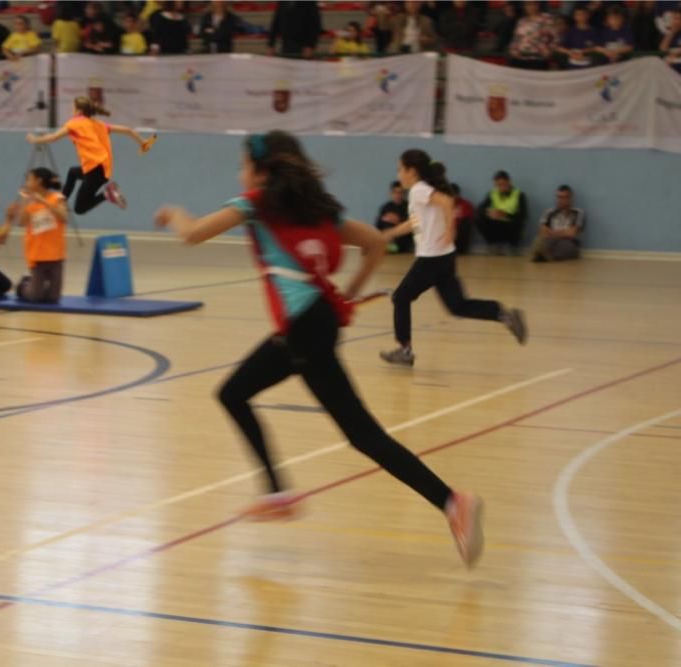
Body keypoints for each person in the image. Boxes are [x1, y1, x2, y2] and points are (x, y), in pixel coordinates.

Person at [154, 131, 485, 568]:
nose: (240, 173)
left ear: (261, 169)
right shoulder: (319, 207)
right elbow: (376, 243)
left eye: (243, 165)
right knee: (236, 394)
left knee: (359, 433)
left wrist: (175, 214)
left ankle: (452, 502)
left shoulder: (254, 203)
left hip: (304, 330)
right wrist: (345, 294)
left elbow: (193, 234)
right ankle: (278, 493)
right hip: (316, 324)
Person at [380, 150, 527, 367]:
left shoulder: (419, 189)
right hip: (444, 258)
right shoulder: (422, 191)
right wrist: (388, 234)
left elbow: (448, 203)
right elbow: (414, 222)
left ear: (411, 171)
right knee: (457, 306)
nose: (398, 173)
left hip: (431, 259)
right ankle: (503, 314)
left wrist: (451, 229)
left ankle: (405, 350)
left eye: (400, 169)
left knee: (401, 298)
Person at [26, 96, 154, 215]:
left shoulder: (74, 123)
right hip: (102, 169)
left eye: (73, 108)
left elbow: (54, 137)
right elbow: (128, 130)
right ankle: (62, 202)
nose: (72, 110)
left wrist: (35, 139)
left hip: (95, 170)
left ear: (79, 111)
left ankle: (107, 194)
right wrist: (142, 142)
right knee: (73, 172)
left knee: (79, 208)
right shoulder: (98, 124)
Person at [16, 168, 69, 303]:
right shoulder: (30, 202)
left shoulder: (57, 198)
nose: (27, 182)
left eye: (30, 179)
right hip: (37, 254)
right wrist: (24, 201)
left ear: (38, 181)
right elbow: (22, 222)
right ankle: (23, 286)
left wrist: (44, 202)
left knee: (53, 298)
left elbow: (63, 217)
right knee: (35, 297)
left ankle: (35, 284)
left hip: (56, 254)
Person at [474, 171, 528, 254]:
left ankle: (512, 246)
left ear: (509, 182)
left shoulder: (519, 194)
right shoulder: (492, 193)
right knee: (477, 218)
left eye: (502, 184)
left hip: (511, 225)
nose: (500, 187)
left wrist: (504, 214)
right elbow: (480, 209)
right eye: (497, 185)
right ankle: (493, 245)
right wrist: (489, 213)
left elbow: (523, 215)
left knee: (519, 222)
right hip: (496, 224)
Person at [531, 185, 585, 263]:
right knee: (542, 240)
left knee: (566, 247)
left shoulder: (578, 213)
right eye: (559, 197)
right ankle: (544, 255)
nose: (561, 200)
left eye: (564, 197)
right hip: (550, 240)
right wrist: (564, 232)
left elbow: (573, 233)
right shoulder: (549, 212)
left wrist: (551, 232)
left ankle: (544, 256)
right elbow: (542, 231)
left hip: (569, 242)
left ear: (570, 198)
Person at [508, 1, 556, 70]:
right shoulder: (522, 21)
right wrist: (513, 50)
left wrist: (550, 50)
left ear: (538, 4)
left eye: (533, 4)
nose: (531, 7)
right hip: (519, 58)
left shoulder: (547, 18)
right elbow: (516, 38)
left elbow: (556, 37)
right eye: (527, 4)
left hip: (537, 59)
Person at [374, 181, 413, 253]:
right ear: (391, 193)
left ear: (404, 193)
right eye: (395, 192)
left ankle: (389, 248)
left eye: (400, 192)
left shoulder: (409, 207)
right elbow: (378, 226)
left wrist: (397, 221)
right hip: (387, 240)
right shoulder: (385, 207)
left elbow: (412, 226)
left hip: (402, 243)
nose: (398, 195)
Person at [660, 6, 681, 77]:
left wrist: (676, 53)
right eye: (674, 18)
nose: (676, 21)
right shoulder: (667, 32)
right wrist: (671, 33)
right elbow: (662, 49)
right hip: (669, 65)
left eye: (679, 18)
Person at [451, 183, 474, 255]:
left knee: (466, 223)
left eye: (453, 194)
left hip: (459, 233)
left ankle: (460, 248)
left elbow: (468, 219)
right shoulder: (441, 204)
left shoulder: (466, 204)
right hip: (446, 232)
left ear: (457, 194)